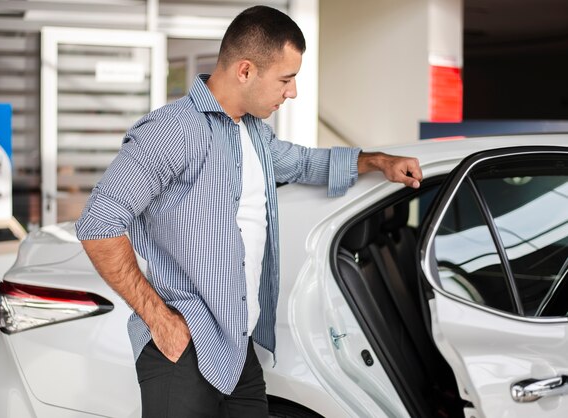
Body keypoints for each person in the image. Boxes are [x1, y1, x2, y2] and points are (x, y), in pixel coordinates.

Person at [75, 5, 422, 418]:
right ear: (245, 71)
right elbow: (98, 223)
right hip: (183, 349)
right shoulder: (173, 130)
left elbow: (305, 163)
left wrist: (378, 161)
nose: (291, 92)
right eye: (286, 79)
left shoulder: (253, 133)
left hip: (236, 349)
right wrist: (159, 319)